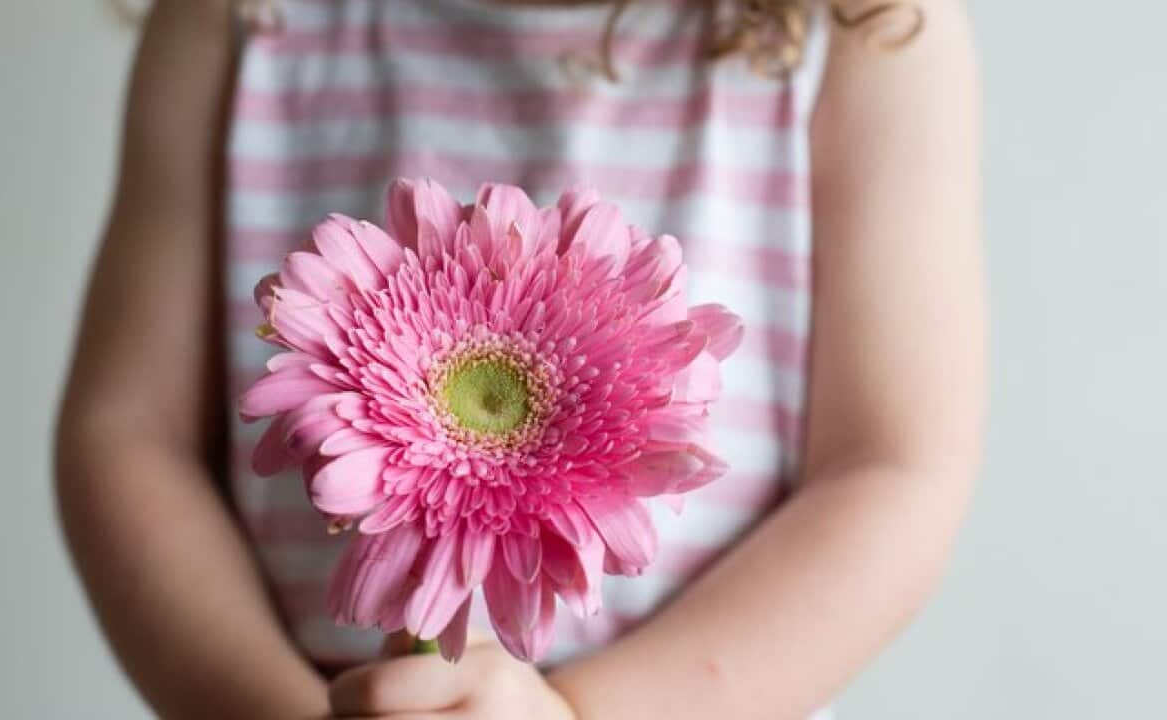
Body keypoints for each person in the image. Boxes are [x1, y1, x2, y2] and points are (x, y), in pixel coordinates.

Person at [55, 1, 983, 717]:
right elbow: (129, 436)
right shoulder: (239, 13)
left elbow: (892, 471)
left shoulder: (869, 30)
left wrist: (577, 715)